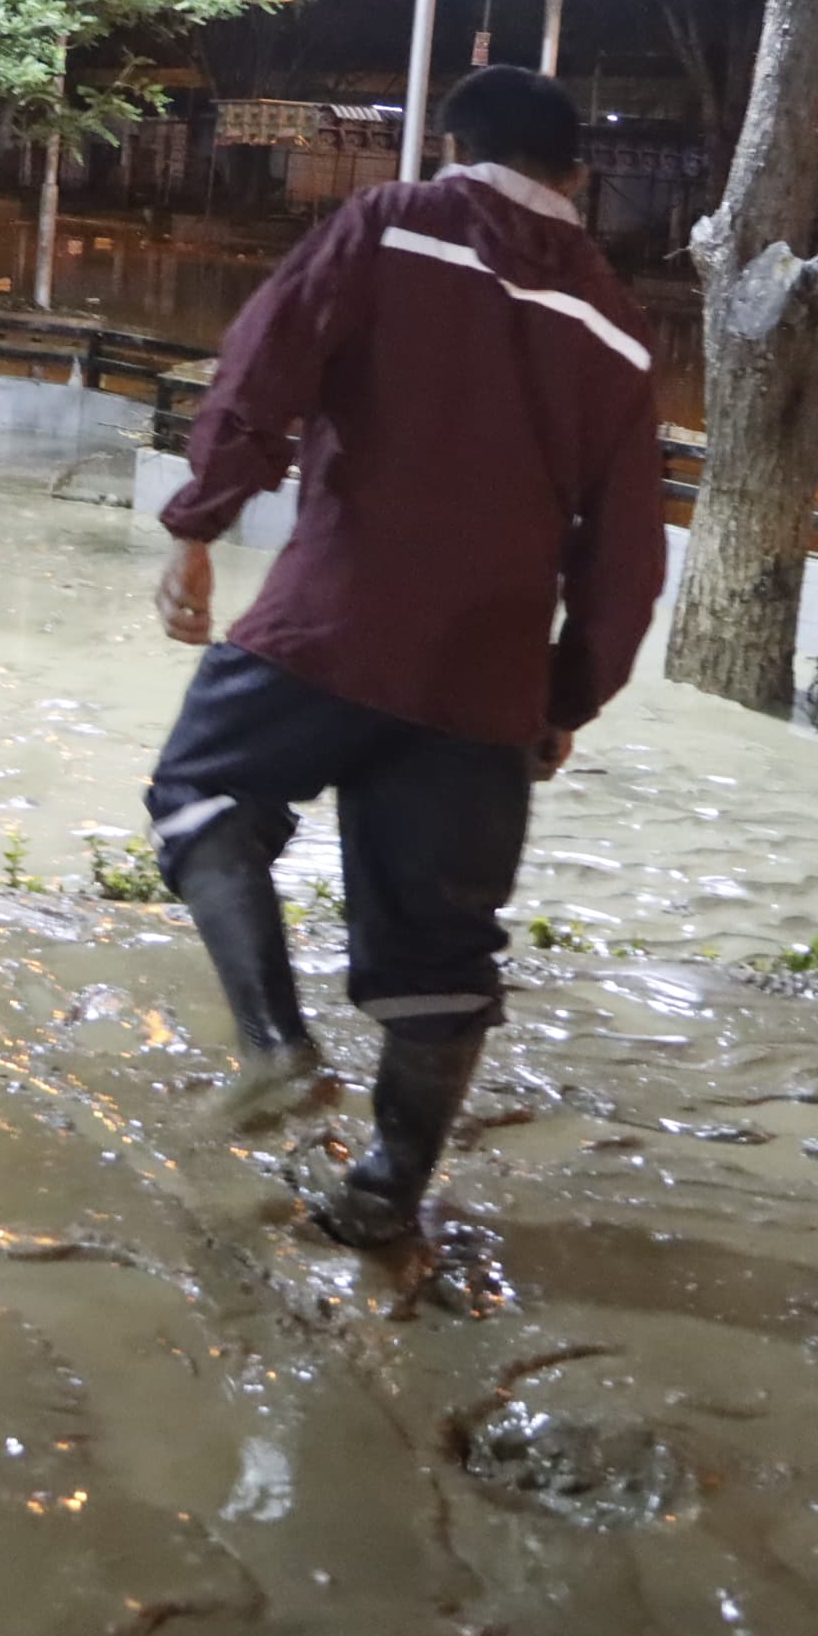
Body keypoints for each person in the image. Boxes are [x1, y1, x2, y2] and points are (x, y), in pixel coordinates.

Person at [142, 65, 667, 1247]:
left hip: (329, 624)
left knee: (200, 790)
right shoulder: (621, 340)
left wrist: (199, 525)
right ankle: (383, 1199)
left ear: (450, 145)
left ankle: (273, 1039)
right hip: (481, 679)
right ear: (574, 178)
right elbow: (625, 555)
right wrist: (566, 692)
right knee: (442, 952)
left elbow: (263, 368)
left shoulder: (389, 227)